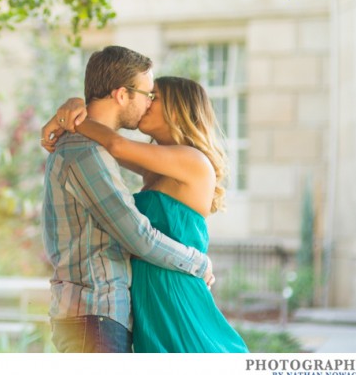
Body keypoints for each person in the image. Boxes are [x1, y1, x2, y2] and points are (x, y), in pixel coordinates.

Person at [44, 74, 249, 353]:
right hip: (148, 298)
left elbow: (116, 145)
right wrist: (72, 106)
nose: (145, 103)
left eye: (154, 97)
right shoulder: (156, 168)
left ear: (177, 109)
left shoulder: (194, 161)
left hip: (173, 292)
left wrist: (69, 117)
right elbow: (107, 143)